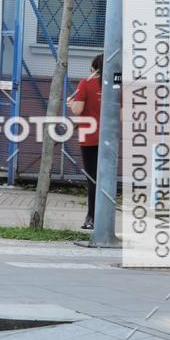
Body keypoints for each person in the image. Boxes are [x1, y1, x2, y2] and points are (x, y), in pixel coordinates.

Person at [68, 54, 103, 230]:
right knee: (105, 179)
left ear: (93, 67)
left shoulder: (85, 83)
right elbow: (120, 116)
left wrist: (71, 103)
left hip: (89, 138)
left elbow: (78, 109)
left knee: (93, 179)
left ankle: (91, 217)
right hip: (108, 139)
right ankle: (104, 217)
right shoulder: (116, 84)